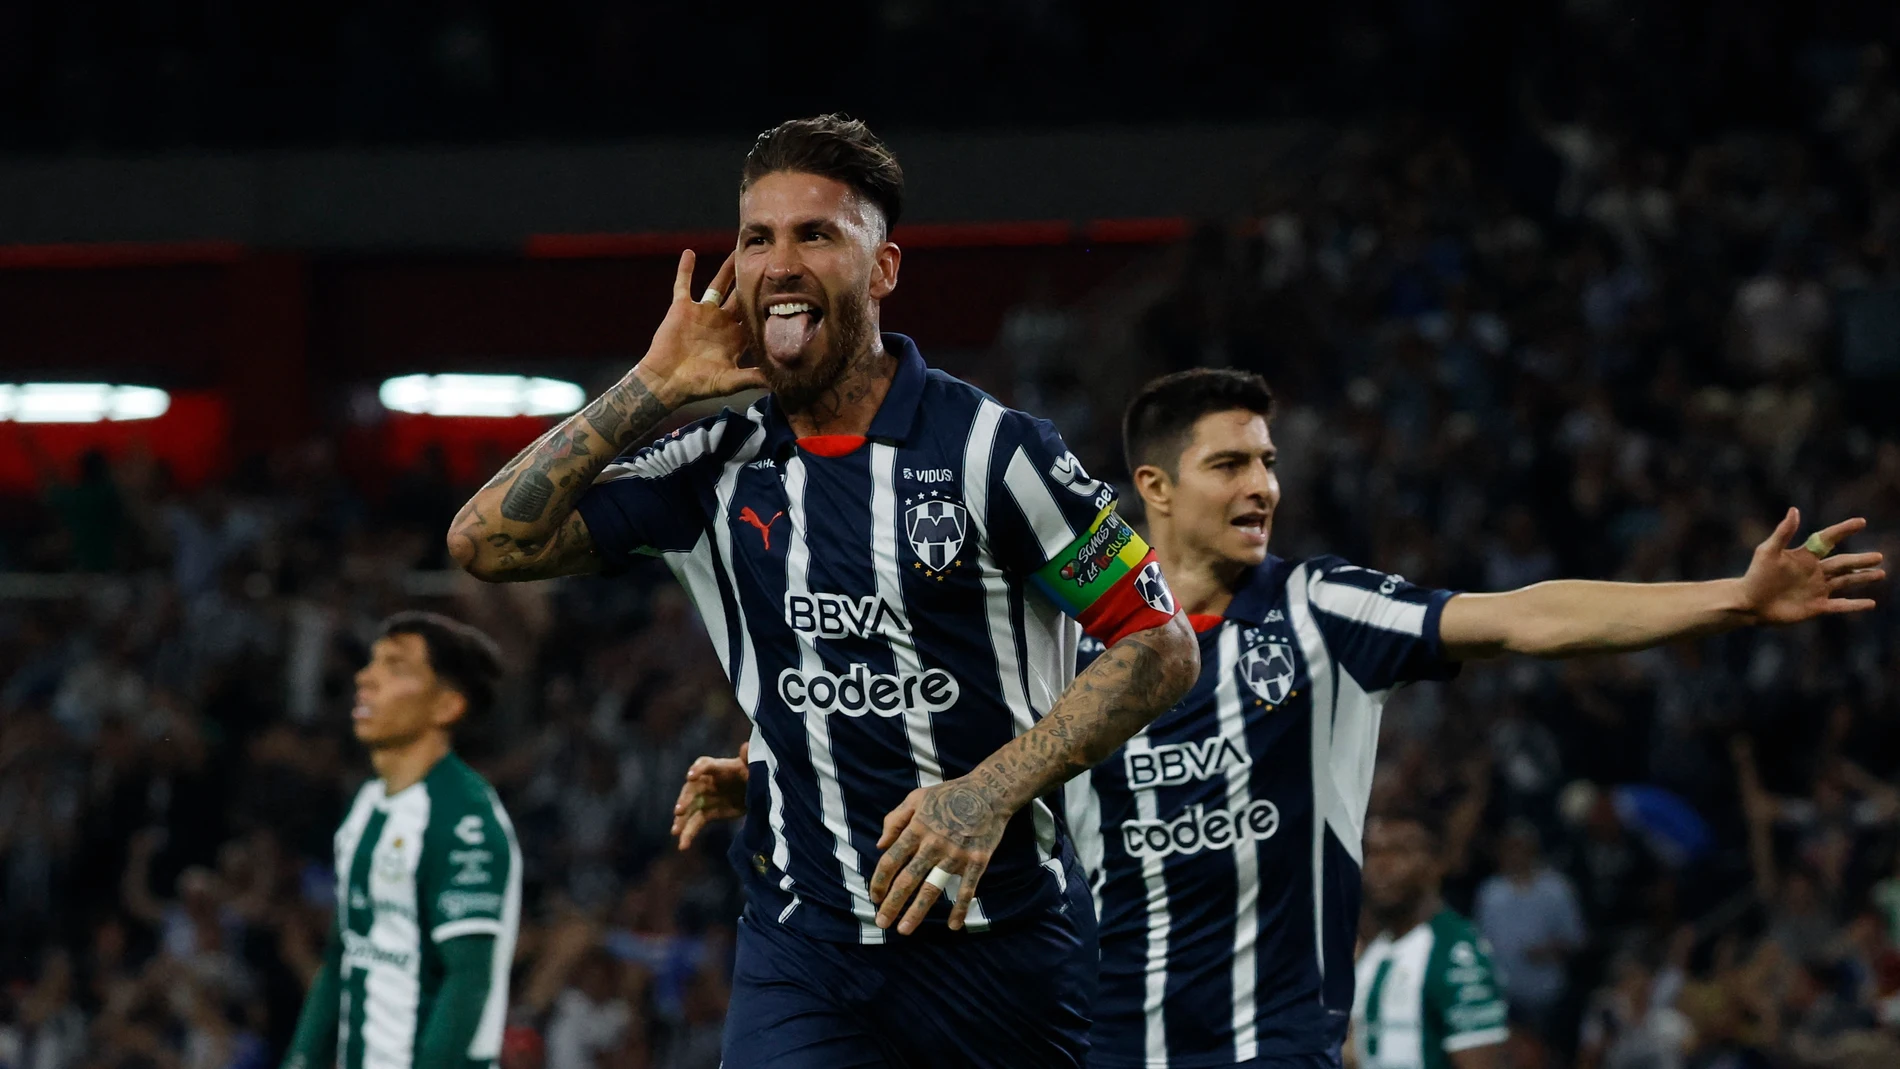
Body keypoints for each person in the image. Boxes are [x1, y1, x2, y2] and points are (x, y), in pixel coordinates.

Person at [449, 114, 1200, 1068]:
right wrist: (652, 382)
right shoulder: (718, 460)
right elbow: (485, 542)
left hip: (1001, 944)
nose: (780, 261)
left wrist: (986, 792)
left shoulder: (997, 454)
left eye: (816, 234)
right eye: (757, 237)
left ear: (881, 268)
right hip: (802, 948)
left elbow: (1160, 641)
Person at [1058, 368, 1881, 1068]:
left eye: (1268, 463)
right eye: (1229, 464)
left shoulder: (1319, 607)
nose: (1262, 486)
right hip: (1099, 1045)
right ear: (1156, 487)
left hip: (1272, 1045)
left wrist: (1731, 597)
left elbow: (1525, 616)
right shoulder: (1064, 638)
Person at [280, 612, 519, 1069]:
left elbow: (468, 978)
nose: (366, 679)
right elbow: (342, 954)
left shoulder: (463, 816)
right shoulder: (366, 804)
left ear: (446, 706)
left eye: (396, 667)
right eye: (373, 663)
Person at [1353, 810, 1507, 1069]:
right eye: (1372, 853)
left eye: (1399, 852)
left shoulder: (1455, 952)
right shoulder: (1376, 952)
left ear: (1436, 863)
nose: (1381, 865)